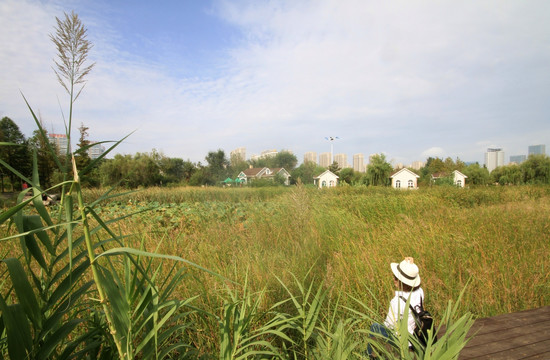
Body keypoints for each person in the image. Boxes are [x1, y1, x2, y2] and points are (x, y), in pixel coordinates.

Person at [367, 257, 424, 357]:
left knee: (375, 327)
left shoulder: (397, 301)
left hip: (402, 342)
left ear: (399, 281)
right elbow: (413, 279)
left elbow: (389, 326)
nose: (394, 279)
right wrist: (410, 267)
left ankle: (369, 356)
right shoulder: (420, 293)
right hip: (415, 336)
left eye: (395, 277)